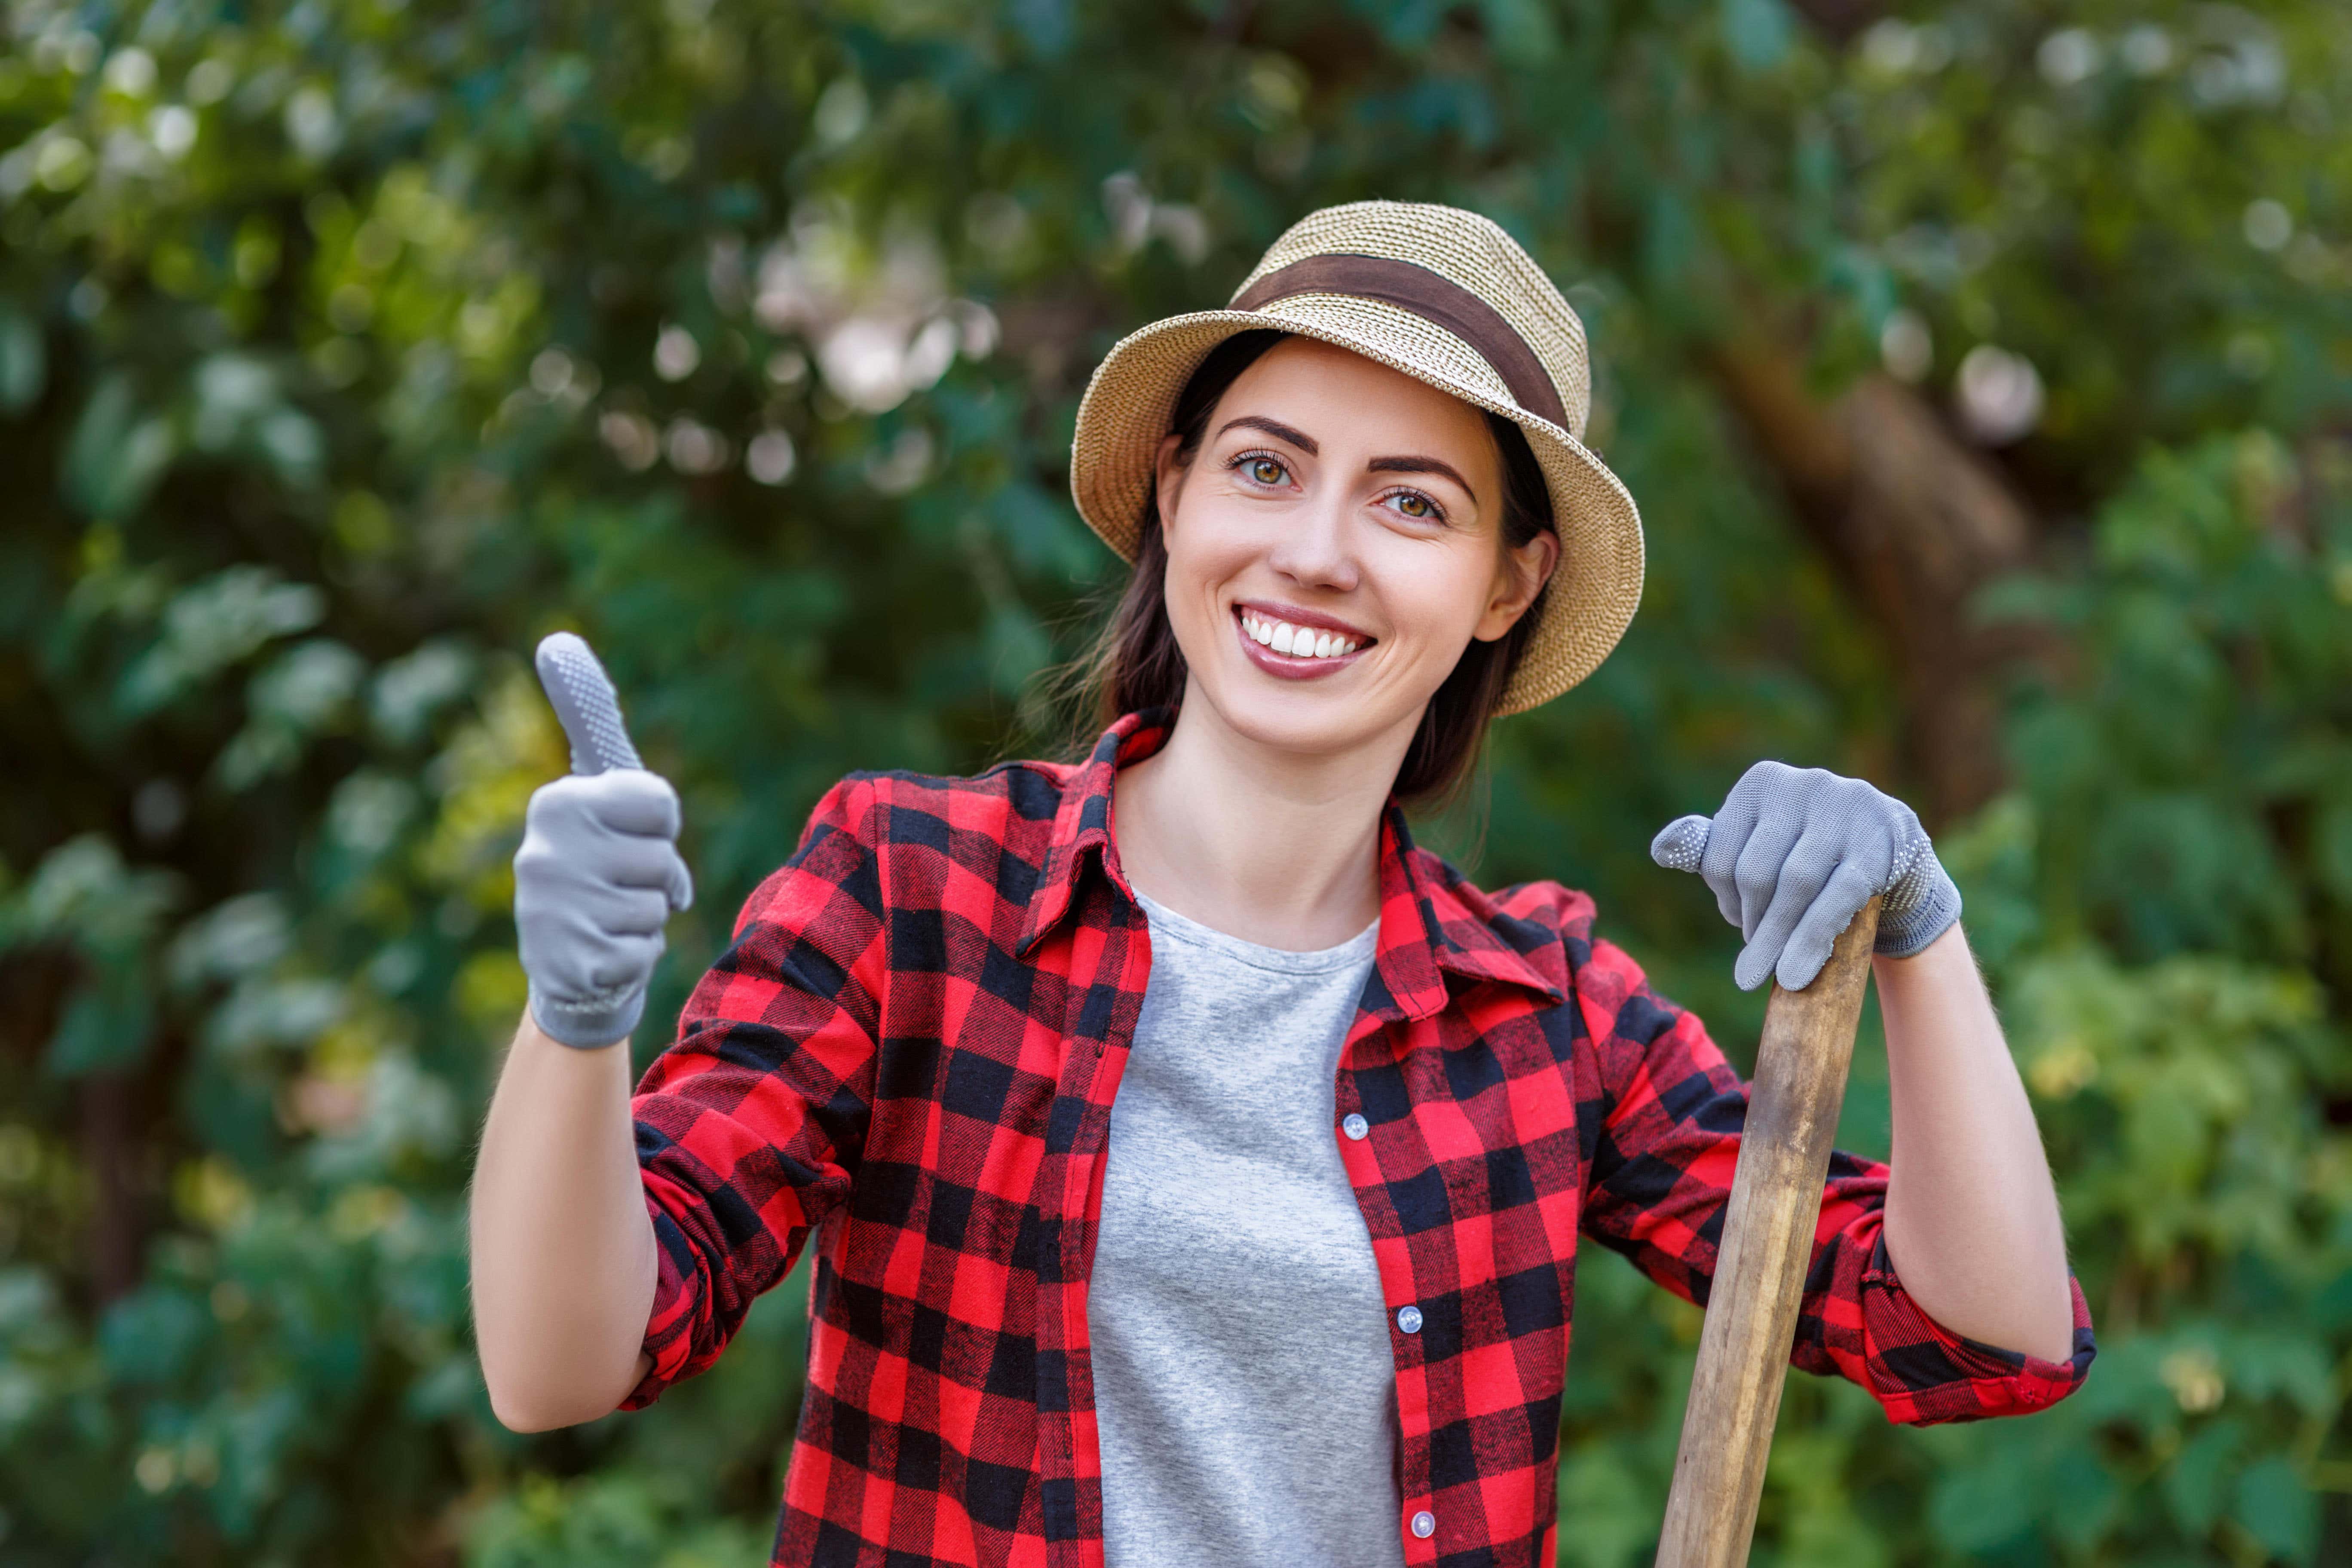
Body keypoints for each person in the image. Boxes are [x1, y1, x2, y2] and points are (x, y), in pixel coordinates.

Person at [469, 202, 2093, 1568]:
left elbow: (1984, 1335)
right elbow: (563, 1361)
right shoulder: (912, 893)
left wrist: (1919, 937)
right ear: (1173, 489)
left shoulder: (1541, 1009)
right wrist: (578, 1019)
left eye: (1412, 502)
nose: (1317, 550)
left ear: (1505, 585)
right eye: (1265, 466)